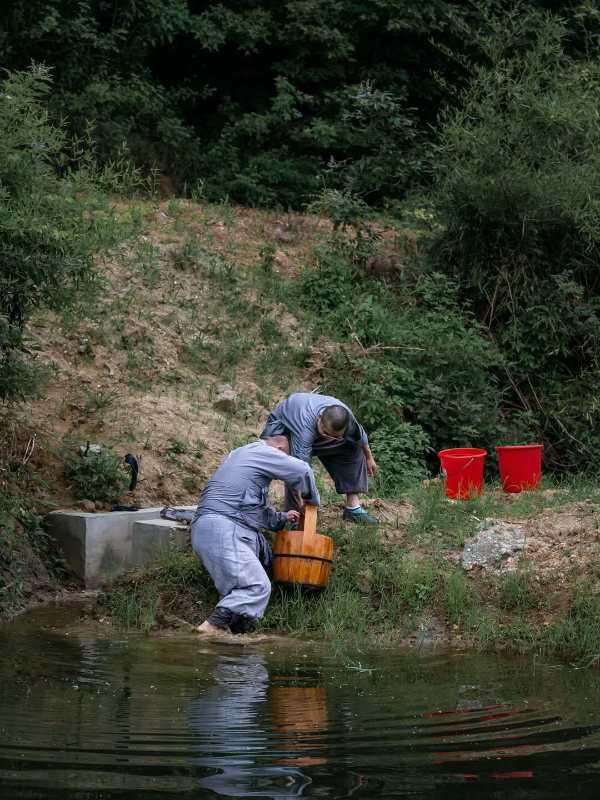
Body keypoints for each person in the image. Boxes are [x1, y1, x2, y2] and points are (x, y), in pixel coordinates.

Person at [191, 435, 320, 636]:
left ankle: (236, 641)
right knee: (256, 586)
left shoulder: (239, 455)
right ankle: (208, 629)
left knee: (238, 595)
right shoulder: (262, 451)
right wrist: (311, 501)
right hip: (224, 528)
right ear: (278, 448)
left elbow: (251, 510)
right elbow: (302, 470)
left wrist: (282, 517)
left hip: (211, 529)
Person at [261, 392, 378, 524]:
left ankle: (353, 508)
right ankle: (293, 516)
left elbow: (359, 437)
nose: (331, 439)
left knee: (351, 446)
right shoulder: (305, 427)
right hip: (284, 428)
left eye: (336, 436)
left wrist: (369, 457)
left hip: (315, 430)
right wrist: (305, 498)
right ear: (319, 418)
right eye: (326, 433)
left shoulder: (346, 419)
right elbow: (299, 468)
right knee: (291, 462)